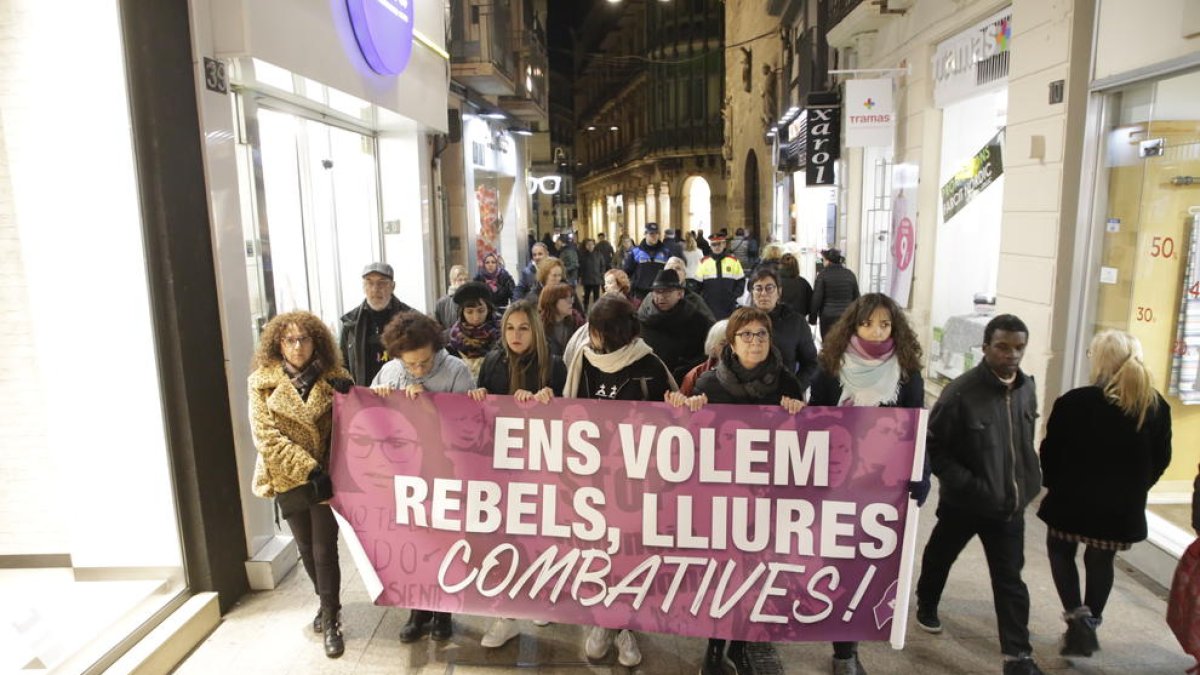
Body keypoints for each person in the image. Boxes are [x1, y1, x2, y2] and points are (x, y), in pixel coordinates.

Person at [667, 307, 805, 675]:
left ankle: (741, 646)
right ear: (732, 341)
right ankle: (714, 648)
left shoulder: (786, 383)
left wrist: (799, 411)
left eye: (762, 334)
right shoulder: (709, 384)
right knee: (722, 573)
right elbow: (689, 440)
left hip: (766, 496)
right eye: (747, 335)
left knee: (755, 573)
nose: (755, 342)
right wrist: (690, 409)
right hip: (722, 497)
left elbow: (803, 439)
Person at [914, 314, 1045, 675]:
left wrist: (1029, 482)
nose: (1012, 355)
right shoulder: (961, 393)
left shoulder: (1026, 388)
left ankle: (1018, 657)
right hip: (966, 503)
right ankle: (926, 601)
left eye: (1019, 347)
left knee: (1010, 581)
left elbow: (1023, 443)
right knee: (941, 555)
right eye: (1003, 346)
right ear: (986, 347)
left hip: (1009, 507)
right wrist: (967, 485)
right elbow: (934, 446)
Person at [807, 293, 928, 675]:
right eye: (868, 323)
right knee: (836, 563)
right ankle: (838, 639)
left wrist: (920, 475)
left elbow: (918, 429)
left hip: (883, 489)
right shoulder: (830, 368)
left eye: (885, 324)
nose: (876, 331)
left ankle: (847, 652)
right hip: (838, 483)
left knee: (867, 565)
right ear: (853, 325)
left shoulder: (906, 372)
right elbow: (813, 422)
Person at [1036, 330, 1171, 657]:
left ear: (1099, 361)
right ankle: (1090, 622)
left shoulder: (1074, 402)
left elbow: (1050, 452)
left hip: (1071, 503)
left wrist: (1055, 486)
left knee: (1060, 550)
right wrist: (1134, 490)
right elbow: (1162, 459)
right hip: (1118, 510)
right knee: (1101, 560)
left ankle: (1077, 620)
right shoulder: (1153, 405)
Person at [566, 296, 676, 667]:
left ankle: (626, 623)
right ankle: (602, 621)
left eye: (595, 330)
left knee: (629, 552)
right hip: (592, 475)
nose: (590, 335)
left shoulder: (648, 363)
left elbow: (670, 420)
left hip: (636, 479)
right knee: (597, 549)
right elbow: (569, 409)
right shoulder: (583, 358)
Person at [248, 311, 354, 659]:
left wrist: (349, 398)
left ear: (316, 341)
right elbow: (266, 437)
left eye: (304, 339)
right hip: (290, 477)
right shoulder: (261, 382)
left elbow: (352, 431)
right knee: (305, 548)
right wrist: (307, 469)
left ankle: (332, 615)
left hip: (326, 478)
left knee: (325, 549)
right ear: (278, 343)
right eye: (289, 340)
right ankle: (325, 604)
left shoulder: (336, 378)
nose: (297, 346)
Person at [467, 300, 566, 647]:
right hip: (499, 466)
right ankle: (505, 614)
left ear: (535, 331)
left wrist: (549, 401)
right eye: (510, 328)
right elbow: (481, 414)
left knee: (539, 536)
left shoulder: (553, 365)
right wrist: (478, 395)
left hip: (541, 465)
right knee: (501, 539)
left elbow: (573, 416)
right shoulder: (493, 362)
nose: (516, 335)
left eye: (523, 328)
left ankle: (539, 597)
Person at [370, 311, 473, 642]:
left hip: (444, 471)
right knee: (413, 542)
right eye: (410, 364)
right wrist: (381, 400)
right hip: (403, 474)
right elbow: (368, 418)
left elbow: (470, 429)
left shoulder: (456, 371)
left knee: (443, 543)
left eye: (425, 363)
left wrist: (430, 408)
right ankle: (417, 610)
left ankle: (443, 611)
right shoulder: (390, 371)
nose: (417, 370)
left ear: (436, 346)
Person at [340, 262, 413, 385]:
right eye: (369, 283)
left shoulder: (411, 319)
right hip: (365, 396)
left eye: (382, 282)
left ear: (393, 286)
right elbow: (341, 362)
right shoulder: (350, 322)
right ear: (363, 287)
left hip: (401, 394)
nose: (375, 289)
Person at [746, 268, 818, 393]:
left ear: (779, 292)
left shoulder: (796, 322)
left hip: (784, 395)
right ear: (752, 292)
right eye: (758, 288)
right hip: (747, 395)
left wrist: (795, 388)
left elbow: (811, 363)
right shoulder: (741, 322)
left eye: (769, 288)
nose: (763, 293)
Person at [637, 269, 715, 382]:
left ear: (680, 294)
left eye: (667, 291)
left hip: (686, 381)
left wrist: (683, 370)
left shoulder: (697, 320)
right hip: (649, 380)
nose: (661, 296)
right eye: (657, 292)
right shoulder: (642, 320)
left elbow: (706, 354)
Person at [445, 282, 500, 382]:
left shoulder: (503, 335)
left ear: (489, 309)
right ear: (462, 312)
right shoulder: (450, 340)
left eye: (481, 310)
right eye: (469, 312)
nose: (476, 317)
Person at [809, 248, 861, 339]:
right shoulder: (850, 274)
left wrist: (812, 319)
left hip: (828, 317)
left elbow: (816, 299)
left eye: (823, 260)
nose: (823, 262)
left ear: (828, 261)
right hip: (847, 316)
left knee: (828, 342)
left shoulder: (822, 275)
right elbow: (857, 297)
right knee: (845, 342)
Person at [696, 233, 746, 320]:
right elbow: (697, 285)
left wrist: (733, 295)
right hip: (710, 306)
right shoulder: (704, 262)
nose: (717, 247)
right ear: (710, 246)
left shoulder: (733, 261)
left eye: (719, 244)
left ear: (724, 245)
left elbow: (741, 281)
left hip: (729, 306)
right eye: (714, 244)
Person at [623, 222, 671, 299]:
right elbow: (626, 272)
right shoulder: (635, 252)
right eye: (651, 234)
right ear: (645, 234)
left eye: (656, 233)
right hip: (640, 294)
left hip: (659, 293)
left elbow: (670, 272)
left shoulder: (666, 252)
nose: (654, 236)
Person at [680, 320, 728, 396]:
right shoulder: (694, 375)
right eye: (723, 344)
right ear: (713, 347)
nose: (730, 348)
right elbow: (682, 405)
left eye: (733, 343)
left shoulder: (751, 373)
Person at [539, 283, 585, 356]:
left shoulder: (576, 320)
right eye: (566, 299)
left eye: (571, 298)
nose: (571, 302)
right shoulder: (539, 327)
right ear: (552, 301)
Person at [779, 252, 814, 319]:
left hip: (779, 320)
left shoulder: (775, 282)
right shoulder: (804, 283)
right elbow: (810, 303)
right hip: (799, 320)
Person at [434, 264, 468, 329]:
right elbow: (438, 327)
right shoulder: (442, 303)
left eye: (465, 279)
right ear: (452, 281)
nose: (464, 283)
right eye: (460, 280)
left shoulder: (472, 299)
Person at [579, 238, 606, 308]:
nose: (590, 246)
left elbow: (602, 265)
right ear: (585, 246)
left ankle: (596, 310)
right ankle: (585, 309)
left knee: (596, 297)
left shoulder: (599, 254)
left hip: (596, 279)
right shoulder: (583, 255)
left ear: (594, 245)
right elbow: (580, 268)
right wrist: (581, 277)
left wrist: (601, 274)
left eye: (591, 244)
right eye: (588, 245)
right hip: (587, 280)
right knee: (586, 296)